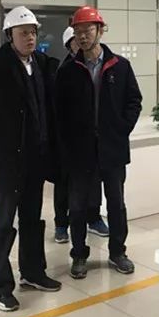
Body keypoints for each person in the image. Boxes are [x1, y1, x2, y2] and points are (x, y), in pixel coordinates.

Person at [0, 6, 61, 312]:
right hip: (7, 161)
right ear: (9, 35)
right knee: (3, 223)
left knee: (32, 219)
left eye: (33, 32)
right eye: (23, 33)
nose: (30, 37)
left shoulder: (41, 65)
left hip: (36, 159)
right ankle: (0, 286)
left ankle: (33, 272)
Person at [56, 6, 143, 279]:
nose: (82, 36)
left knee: (116, 203)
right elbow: (59, 111)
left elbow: (134, 101)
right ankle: (79, 255)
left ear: (100, 31)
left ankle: (118, 252)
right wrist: (68, 143)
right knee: (78, 206)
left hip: (112, 149)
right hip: (81, 151)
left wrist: (121, 129)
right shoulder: (68, 70)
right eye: (78, 31)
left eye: (88, 30)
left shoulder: (120, 66)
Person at [52, 26, 109, 244]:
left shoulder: (97, 67)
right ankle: (61, 224)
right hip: (68, 141)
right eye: (75, 42)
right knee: (64, 184)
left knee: (94, 182)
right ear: (69, 46)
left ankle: (93, 218)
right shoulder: (64, 70)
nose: (81, 43)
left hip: (91, 142)